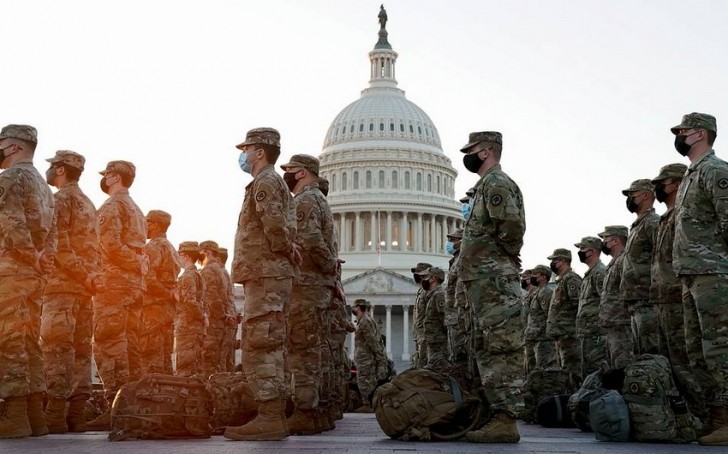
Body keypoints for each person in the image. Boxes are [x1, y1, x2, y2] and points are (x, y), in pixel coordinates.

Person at [225, 127, 301, 441]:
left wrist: (285, 247)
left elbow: (273, 224)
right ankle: (272, 414)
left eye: (247, 149)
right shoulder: (270, 182)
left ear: (259, 152)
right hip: (269, 272)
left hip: (266, 273)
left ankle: (269, 416)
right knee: (270, 342)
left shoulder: (266, 182)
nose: (243, 155)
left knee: (261, 342)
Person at [459, 131, 526, 443]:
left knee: (501, 348)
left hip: (495, 280)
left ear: (485, 152)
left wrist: (504, 256)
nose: (467, 156)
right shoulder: (485, 186)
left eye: (471, 151)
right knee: (487, 349)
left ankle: (505, 418)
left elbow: (511, 226)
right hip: (484, 282)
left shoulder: (496, 184)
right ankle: (493, 414)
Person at [670, 112, 728, 445]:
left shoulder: (716, 171)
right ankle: (716, 416)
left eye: (683, 131)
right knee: (697, 350)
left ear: (700, 134)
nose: (679, 136)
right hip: (692, 273)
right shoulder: (693, 174)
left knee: (719, 348)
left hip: (714, 273)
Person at [0, 124, 56, 439]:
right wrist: (41, 258)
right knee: (29, 341)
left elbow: (9, 221)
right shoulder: (44, 186)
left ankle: (14, 415)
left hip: (11, 267)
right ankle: (35, 415)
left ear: (14, 148)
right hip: (33, 274)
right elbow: (54, 232)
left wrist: (26, 254)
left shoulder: (10, 178)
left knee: (8, 340)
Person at [41, 150, 102, 433]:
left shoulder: (60, 199)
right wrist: (90, 277)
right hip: (84, 290)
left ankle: (54, 415)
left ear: (62, 170)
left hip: (62, 287)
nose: (50, 171)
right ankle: (76, 415)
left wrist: (80, 273)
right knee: (79, 352)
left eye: (53, 166)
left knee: (57, 349)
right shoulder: (88, 204)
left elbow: (60, 244)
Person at [280, 154, 338, 434]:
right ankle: (318, 412)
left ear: (302, 173)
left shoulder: (304, 201)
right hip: (318, 286)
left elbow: (311, 240)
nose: (287, 175)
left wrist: (326, 267)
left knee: (302, 351)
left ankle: (304, 412)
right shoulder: (320, 200)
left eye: (289, 170)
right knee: (314, 350)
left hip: (307, 285)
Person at [88, 160, 146, 430]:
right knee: (130, 344)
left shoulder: (112, 206)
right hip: (134, 286)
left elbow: (109, 246)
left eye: (106, 175)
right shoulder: (135, 208)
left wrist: (132, 262)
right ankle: (132, 405)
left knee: (109, 343)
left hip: (114, 282)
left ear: (113, 177)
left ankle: (116, 407)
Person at [650, 162, 706, 422]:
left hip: (677, 295)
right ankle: (689, 418)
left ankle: (705, 415)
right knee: (671, 363)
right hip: (662, 299)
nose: (657, 188)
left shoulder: (681, 214)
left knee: (686, 361)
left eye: (661, 183)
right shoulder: (665, 219)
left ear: (674, 183)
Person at [620, 179, 660, 354]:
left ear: (645, 195)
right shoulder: (638, 226)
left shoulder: (652, 222)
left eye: (631, 195)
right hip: (636, 301)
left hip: (648, 299)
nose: (629, 199)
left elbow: (662, 257)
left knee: (651, 352)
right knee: (640, 352)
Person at [140, 210, 178, 375]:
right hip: (167, 311)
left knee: (150, 360)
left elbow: (148, 278)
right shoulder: (171, 248)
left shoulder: (153, 247)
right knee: (164, 360)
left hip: (152, 311)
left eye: (146, 222)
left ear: (154, 225)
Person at [545, 248, 583, 388]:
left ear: (564, 261)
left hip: (569, 334)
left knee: (572, 371)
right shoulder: (561, 281)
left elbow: (578, 304)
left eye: (555, 260)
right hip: (561, 335)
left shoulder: (571, 279)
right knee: (564, 371)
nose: (553, 263)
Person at [597, 225, 633, 370]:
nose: (603, 242)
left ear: (616, 241)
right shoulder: (613, 263)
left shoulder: (624, 260)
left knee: (623, 365)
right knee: (614, 366)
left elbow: (628, 290)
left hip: (621, 322)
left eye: (606, 238)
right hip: (612, 322)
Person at [573, 236, 606, 379]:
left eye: (582, 249)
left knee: (596, 372)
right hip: (587, 333)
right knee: (588, 372)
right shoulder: (590, 274)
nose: (579, 252)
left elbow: (605, 300)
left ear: (592, 251)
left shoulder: (599, 272)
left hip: (596, 333)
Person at [174, 241, 206, 377]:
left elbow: (190, 302)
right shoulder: (198, 275)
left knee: (185, 370)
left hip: (188, 327)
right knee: (195, 368)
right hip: (194, 328)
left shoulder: (188, 276)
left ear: (185, 256)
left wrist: (201, 317)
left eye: (179, 255)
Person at [199, 240, 228, 376]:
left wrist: (220, 316)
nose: (198, 260)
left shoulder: (209, 270)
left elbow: (212, 299)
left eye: (200, 255)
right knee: (215, 363)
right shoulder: (219, 269)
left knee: (208, 365)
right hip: (219, 323)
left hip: (212, 323)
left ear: (207, 253)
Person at [352, 299, 387, 413]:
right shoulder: (363, 320)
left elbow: (371, 340)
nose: (353, 309)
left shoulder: (365, 321)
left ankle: (367, 404)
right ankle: (369, 403)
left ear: (359, 307)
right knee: (366, 380)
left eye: (354, 306)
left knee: (364, 380)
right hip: (364, 357)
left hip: (365, 358)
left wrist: (378, 355)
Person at [444, 229, 468, 373]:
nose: (449, 243)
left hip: (460, 316)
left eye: (453, 240)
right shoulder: (455, 261)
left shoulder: (464, 259)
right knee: (456, 357)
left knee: (461, 358)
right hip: (454, 317)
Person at [525, 265, 557, 369]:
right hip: (533, 336)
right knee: (533, 368)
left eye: (535, 274)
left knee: (544, 368)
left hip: (542, 338)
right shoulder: (536, 292)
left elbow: (549, 314)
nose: (532, 277)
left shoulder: (546, 292)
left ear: (543, 277)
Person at [217, 247, 240, 373]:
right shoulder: (225, 274)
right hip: (231, 319)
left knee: (223, 357)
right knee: (228, 358)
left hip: (228, 320)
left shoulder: (221, 274)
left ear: (219, 260)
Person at [422, 267, 449, 368]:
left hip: (439, 342)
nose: (424, 279)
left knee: (440, 369)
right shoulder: (432, 295)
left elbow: (444, 318)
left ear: (433, 278)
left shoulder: (439, 295)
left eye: (426, 277)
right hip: (433, 341)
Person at [410, 262, 432, 368]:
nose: (416, 276)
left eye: (420, 273)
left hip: (428, 337)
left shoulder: (430, 292)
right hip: (421, 337)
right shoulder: (421, 291)